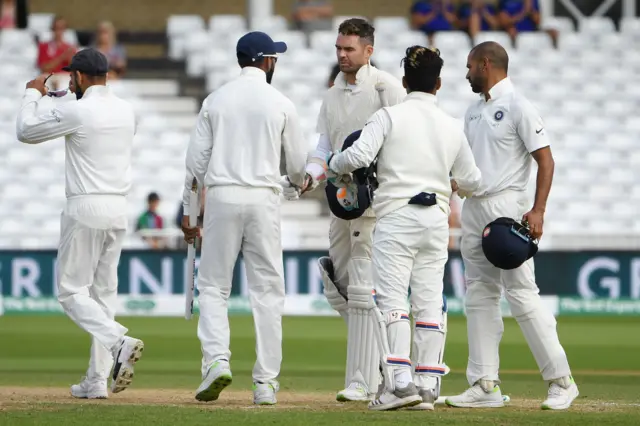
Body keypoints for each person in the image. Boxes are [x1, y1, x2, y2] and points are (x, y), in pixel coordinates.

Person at [327, 46, 482, 411]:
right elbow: (473, 180)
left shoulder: (388, 116)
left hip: (396, 215)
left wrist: (334, 163)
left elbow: (358, 156)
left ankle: (399, 385)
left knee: (393, 301)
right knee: (429, 300)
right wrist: (455, 183)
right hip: (435, 220)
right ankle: (428, 386)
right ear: (439, 84)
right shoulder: (451, 125)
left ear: (404, 81)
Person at [445, 41, 578, 410]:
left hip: (507, 208)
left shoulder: (519, 105)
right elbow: (469, 168)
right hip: (474, 207)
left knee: (521, 293)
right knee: (479, 295)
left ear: (486, 65)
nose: (466, 73)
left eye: (470, 66)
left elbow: (546, 160)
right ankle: (484, 384)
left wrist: (538, 210)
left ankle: (561, 381)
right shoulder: (472, 111)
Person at [180, 31, 308, 406]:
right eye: (275, 58)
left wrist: (190, 214)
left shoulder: (215, 100)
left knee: (215, 287)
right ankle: (265, 383)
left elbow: (195, 166)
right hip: (264, 199)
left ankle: (216, 361)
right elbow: (298, 167)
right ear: (266, 61)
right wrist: (299, 184)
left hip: (222, 197)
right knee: (268, 291)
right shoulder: (281, 102)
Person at [16, 48, 144, 399]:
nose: (70, 80)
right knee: (103, 295)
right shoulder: (126, 109)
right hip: (119, 209)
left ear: (82, 77)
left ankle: (118, 340)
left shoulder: (79, 109)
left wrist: (33, 94)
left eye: (72, 75)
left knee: (71, 292)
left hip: (86, 206)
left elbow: (25, 132)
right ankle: (96, 381)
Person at [302, 18, 407, 402]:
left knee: (363, 288)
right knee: (340, 287)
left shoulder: (387, 90)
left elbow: (403, 142)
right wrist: (311, 174)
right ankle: (387, 365)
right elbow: (323, 146)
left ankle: (362, 380)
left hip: (376, 204)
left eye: (349, 49)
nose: (343, 55)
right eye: (338, 48)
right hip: (339, 201)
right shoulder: (332, 95)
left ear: (368, 50)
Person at [37, 16, 76, 90]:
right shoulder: (44, 46)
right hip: (49, 77)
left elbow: (75, 69)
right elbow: (44, 68)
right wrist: (62, 57)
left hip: (65, 78)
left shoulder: (70, 48)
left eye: (61, 28)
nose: (58, 31)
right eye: (56, 28)